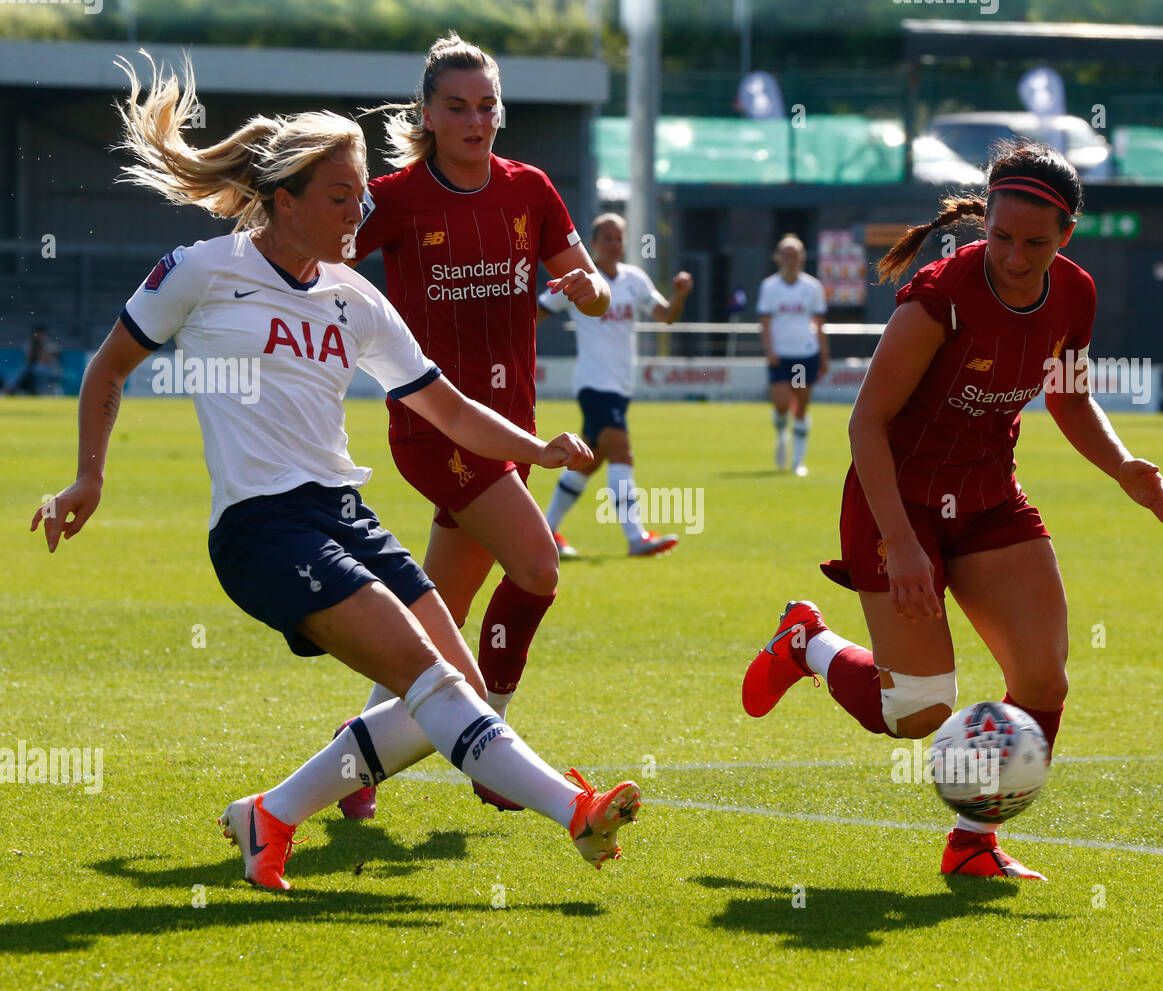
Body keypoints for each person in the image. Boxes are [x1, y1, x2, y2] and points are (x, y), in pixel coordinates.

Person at [30, 54, 640, 891]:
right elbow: (107, 369)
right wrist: (87, 479)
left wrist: (538, 450)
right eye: (339, 197)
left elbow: (449, 409)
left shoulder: (356, 297)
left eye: (361, 194)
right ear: (283, 201)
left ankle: (271, 813)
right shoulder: (203, 271)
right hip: (260, 528)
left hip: (342, 514)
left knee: (446, 691)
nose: (360, 211)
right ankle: (574, 812)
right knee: (435, 682)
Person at [742, 142, 1163, 881]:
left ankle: (974, 842)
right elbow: (865, 424)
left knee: (1044, 680)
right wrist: (902, 546)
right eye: (1000, 236)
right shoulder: (941, 292)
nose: (1013, 255)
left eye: (1035, 242)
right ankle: (807, 641)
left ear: (1066, 234)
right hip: (893, 501)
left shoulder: (1075, 293)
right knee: (915, 712)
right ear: (984, 220)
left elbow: (1069, 397)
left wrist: (1122, 463)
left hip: (986, 495)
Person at [341, 32, 612, 819]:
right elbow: (319, 263)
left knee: (435, 615)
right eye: (456, 107)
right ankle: (496, 749)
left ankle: (353, 758)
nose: (475, 120)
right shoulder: (391, 200)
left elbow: (579, 280)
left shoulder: (530, 189)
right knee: (537, 568)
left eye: (487, 105)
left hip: (509, 428)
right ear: (426, 114)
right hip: (434, 430)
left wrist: (589, 289)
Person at [537, 211, 693, 558]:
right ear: (592, 244)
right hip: (594, 385)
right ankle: (636, 537)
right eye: (606, 238)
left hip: (621, 387)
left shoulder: (635, 280)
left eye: (618, 237)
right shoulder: (578, 282)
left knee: (588, 462)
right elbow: (535, 314)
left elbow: (666, 316)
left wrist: (680, 294)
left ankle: (545, 532)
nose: (613, 244)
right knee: (622, 452)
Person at [757, 235, 829, 477]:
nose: (791, 260)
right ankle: (781, 437)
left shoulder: (812, 287)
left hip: (805, 354)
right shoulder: (769, 287)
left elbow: (819, 323)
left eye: (795, 254)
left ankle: (798, 461)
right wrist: (770, 351)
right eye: (786, 254)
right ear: (778, 257)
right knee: (781, 404)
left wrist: (824, 355)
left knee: (800, 406)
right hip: (781, 355)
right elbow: (765, 323)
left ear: (802, 257)